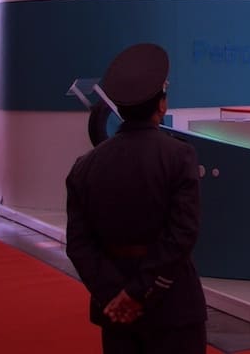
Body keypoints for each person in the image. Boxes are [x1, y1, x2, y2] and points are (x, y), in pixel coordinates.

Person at [65, 43, 207, 354]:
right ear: (162, 105)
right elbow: (182, 235)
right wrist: (138, 292)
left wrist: (114, 294)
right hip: (172, 304)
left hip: (116, 311)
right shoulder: (179, 156)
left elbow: (78, 244)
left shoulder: (85, 166)